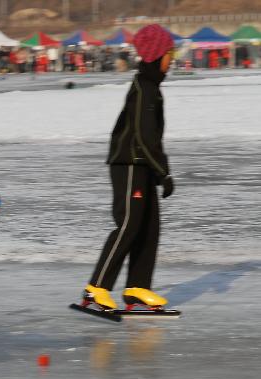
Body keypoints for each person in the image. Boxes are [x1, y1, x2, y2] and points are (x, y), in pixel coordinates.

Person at [81, 24, 176, 312]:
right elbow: (144, 135)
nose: (172, 60)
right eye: (170, 54)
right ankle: (97, 286)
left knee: (149, 227)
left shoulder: (151, 87)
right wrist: (164, 171)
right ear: (157, 55)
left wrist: (159, 169)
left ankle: (137, 286)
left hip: (142, 164)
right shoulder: (144, 89)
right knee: (128, 225)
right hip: (130, 164)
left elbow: (150, 138)